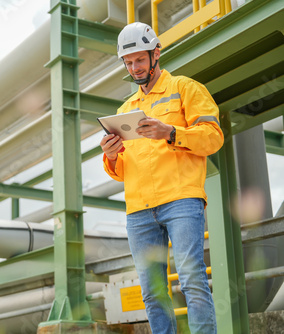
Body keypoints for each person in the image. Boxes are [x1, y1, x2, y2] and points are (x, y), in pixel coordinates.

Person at [100, 22, 223, 334]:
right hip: (139, 210)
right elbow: (121, 169)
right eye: (128, 63)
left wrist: (170, 132)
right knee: (153, 291)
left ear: (156, 53)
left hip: (181, 199)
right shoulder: (125, 109)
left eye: (139, 60)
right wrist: (112, 154)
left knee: (191, 278)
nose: (134, 68)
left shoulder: (186, 89)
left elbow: (213, 137)